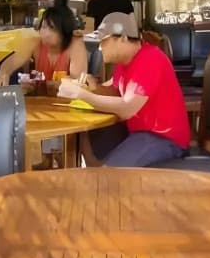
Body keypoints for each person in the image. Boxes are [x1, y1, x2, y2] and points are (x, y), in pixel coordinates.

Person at [57, 12, 189, 167]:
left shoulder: (150, 58)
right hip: (139, 134)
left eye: (103, 41)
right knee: (91, 144)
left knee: (109, 174)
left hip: (163, 138)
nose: (99, 48)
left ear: (123, 38)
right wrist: (93, 87)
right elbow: (114, 92)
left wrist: (81, 94)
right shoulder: (124, 64)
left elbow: (127, 108)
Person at [0, 5, 87, 87]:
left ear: (65, 30)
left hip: (66, 100)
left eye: (53, 28)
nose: (46, 33)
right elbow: (11, 62)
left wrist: (46, 84)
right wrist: (3, 73)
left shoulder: (75, 43)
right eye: (44, 27)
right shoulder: (34, 41)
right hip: (40, 99)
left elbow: (77, 81)